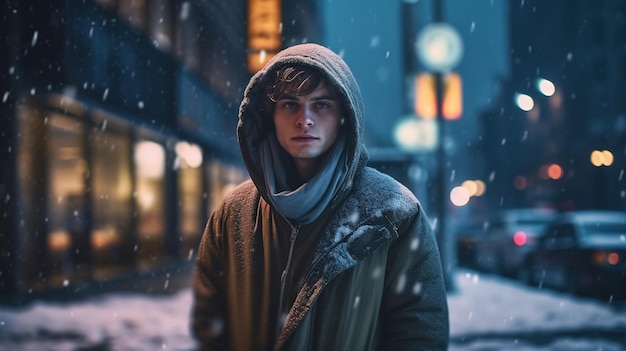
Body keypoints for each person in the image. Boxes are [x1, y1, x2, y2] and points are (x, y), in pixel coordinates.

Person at [191, 43, 449, 351]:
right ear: (269, 114)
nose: (305, 119)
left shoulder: (393, 212)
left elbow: (419, 332)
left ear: (345, 115)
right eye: (290, 104)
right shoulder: (234, 213)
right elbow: (211, 325)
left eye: (321, 104)